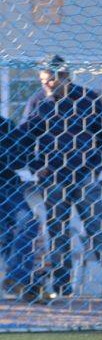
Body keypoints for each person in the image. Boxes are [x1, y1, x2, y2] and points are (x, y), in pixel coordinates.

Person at [21, 58, 102, 298]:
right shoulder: (38, 102)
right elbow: (25, 139)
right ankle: (62, 287)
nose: (46, 85)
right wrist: (36, 167)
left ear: (65, 77)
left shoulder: (87, 99)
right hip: (53, 178)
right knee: (57, 233)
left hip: (84, 176)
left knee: (97, 230)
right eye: (43, 80)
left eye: (51, 80)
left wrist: (96, 168)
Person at [0, 114, 39, 302]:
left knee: (27, 222)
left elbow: (20, 159)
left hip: (8, 186)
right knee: (5, 234)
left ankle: (16, 279)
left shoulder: (5, 125)